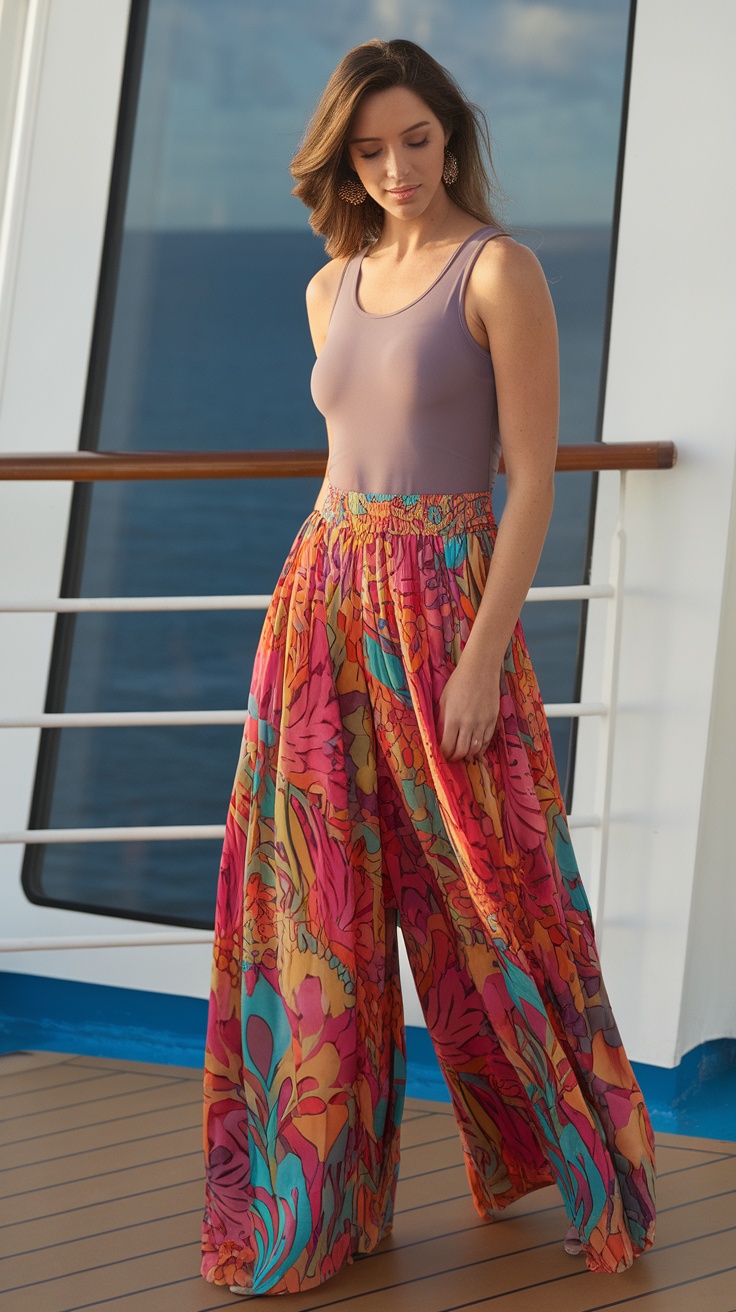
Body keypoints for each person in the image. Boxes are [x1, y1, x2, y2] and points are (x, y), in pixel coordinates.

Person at [201, 37, 657, 1299]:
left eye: (413, 140)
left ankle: (594, 1163)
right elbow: (342, 460)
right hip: (319, 608)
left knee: (504, 896)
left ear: (449, 135)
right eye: (368, 148)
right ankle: (322, 1200)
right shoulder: (330, 282)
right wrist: (302, 624)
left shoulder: (496, 269)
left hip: (446, 611)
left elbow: (529, 477)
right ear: (344, 159)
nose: (394, 167)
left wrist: (478, 657)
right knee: (314, 914)